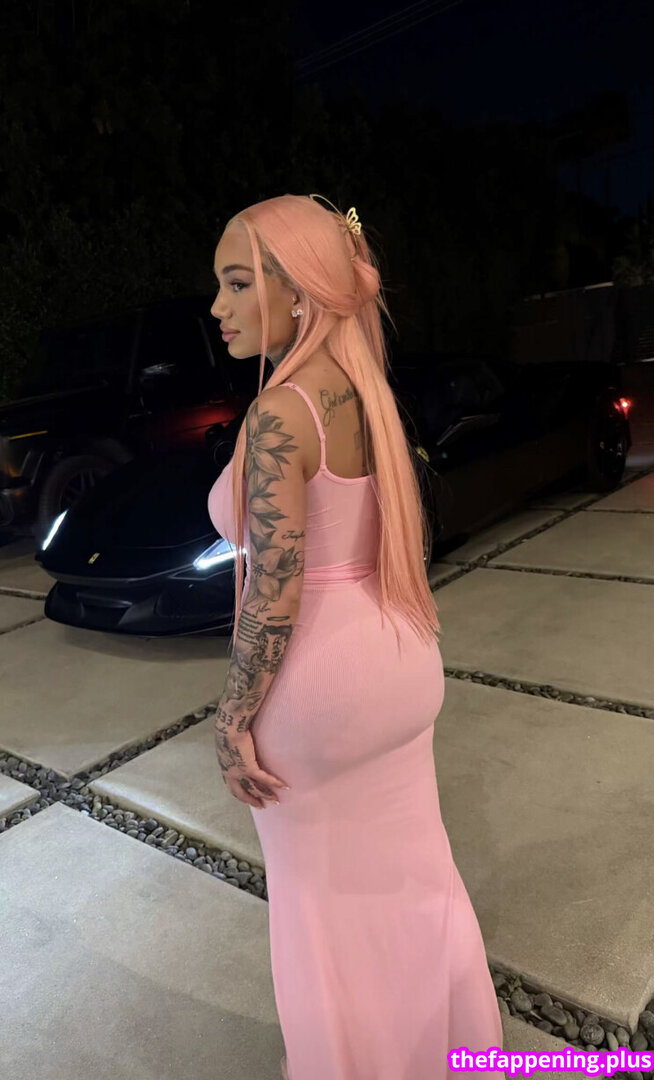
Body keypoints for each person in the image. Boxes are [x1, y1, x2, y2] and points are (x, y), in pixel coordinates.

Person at [206, 194, 504, 1080]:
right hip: (401, 657)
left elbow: (275, 591)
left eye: (237, 283)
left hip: (321, 691)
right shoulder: (368, 390)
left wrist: (231, 719)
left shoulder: (280, 412)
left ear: (297, 291)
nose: (218, 307)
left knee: (323, 919)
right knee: (417, 889)